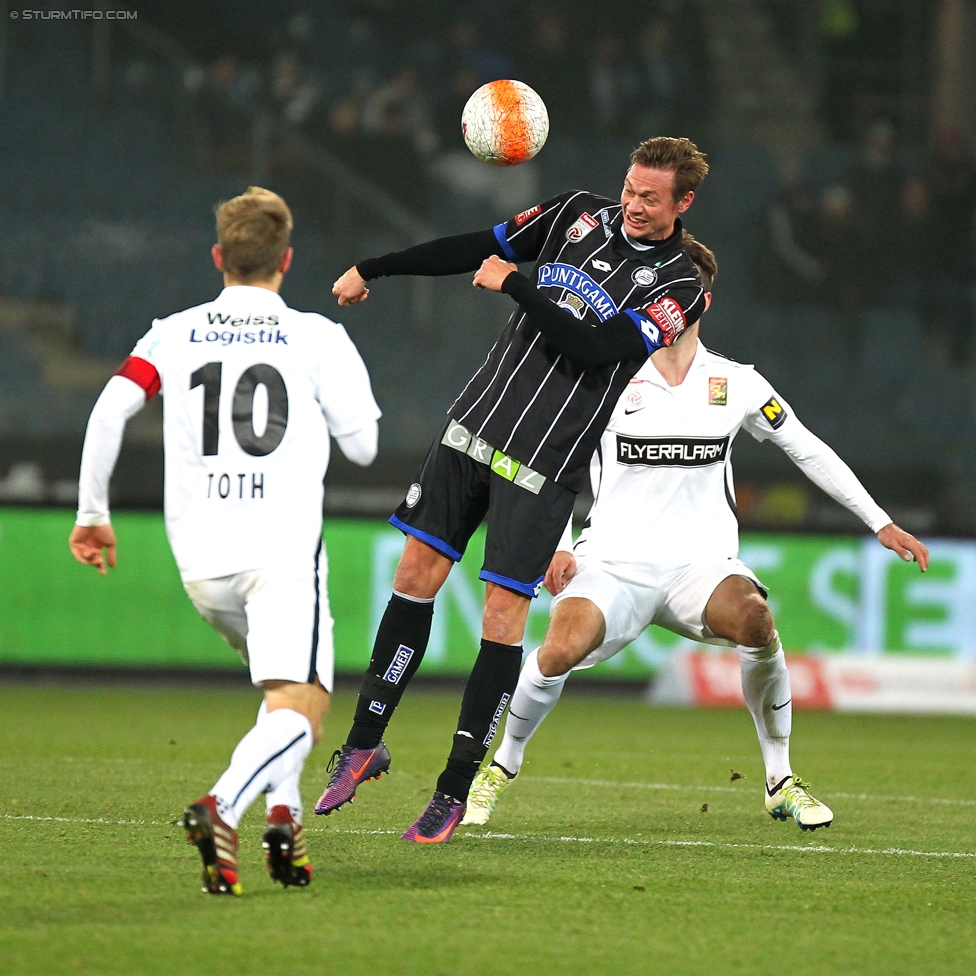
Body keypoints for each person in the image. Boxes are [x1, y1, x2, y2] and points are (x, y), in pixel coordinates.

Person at [462, 234, 930, 830]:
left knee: (756, 620)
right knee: (555, 651)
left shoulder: (737, 383)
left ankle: (780, 778)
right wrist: (557, 544)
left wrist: (880, 521)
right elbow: (554, 457)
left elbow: (807, 449)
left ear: (699, 300)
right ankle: (500, 766)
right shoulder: (604, 373)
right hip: (611, 563)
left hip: (701, 568)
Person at [316, 137, 710, 842]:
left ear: (684, 202)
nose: (634, 205)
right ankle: (364, 744)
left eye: (651, 198)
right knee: (414, 575)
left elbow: (595, 349)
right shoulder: (575, 215)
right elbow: (476, 246)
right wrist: (375, 267)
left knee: (501, 621)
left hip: (545, 461)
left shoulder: (680, 285)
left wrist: (518, 283)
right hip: (475, 425)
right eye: (630, 188)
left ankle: (453, 789)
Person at [69, 187, 381, 895]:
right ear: (287, 260)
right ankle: (223, 805)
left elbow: (111, 407)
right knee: (306, 703)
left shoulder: (171, 334)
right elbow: (363, 448)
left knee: (284, 696)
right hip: (281, 551)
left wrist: (93, 514)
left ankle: (285, 821)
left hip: (203, 562)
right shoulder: (315, 337)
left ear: (219, 258)